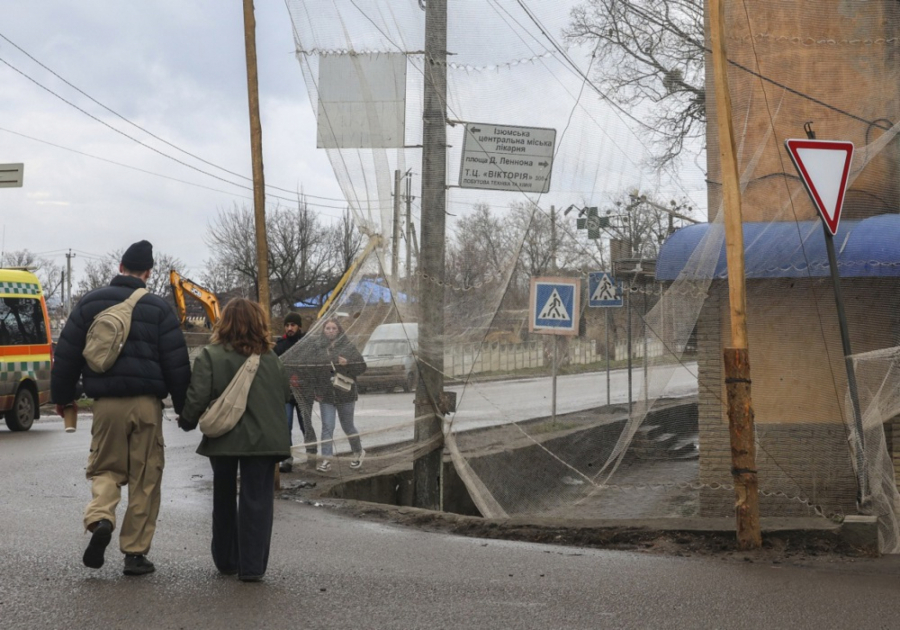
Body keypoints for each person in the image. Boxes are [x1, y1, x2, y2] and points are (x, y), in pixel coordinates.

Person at [50, 240, 191, 576]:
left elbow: (67, 354)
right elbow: (177, 364)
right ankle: (135, 554)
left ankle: (101, 517)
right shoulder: (159, 309)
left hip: (106, 405)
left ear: (120, 268)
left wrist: (63, 396)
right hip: (146, 406)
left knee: (105, 468)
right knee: (146, 477)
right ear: (148, 273)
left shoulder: (90, 303)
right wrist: (186, 410)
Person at [176, 298, 291, 582]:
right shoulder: (272, 359)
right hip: (265, 440)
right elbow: (285, 394)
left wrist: (187, 421)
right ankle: (252, 567)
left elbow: (198, 395)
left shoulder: (210, 355)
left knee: (224, 496)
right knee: (258, 500)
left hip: (224, 437)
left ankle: (227, 560)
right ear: (259, 323)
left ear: (224, 323)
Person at [310, 317, 367, 472]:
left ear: (339, 330)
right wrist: (316, 389)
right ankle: (326, 460)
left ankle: (358, 452)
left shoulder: (348, 346)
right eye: (328, 328)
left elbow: (362, 366)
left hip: (345, 393)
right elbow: (313, 370)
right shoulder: (318, 348)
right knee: (327, 427)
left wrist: (347, 364)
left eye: (334, 328)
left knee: (348, 426)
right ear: (323, 330)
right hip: (326, 394)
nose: (331, 331)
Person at [274, 312, 317, 472]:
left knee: (306, 425)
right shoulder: (279, 346)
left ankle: (312, 456)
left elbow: (315, 366)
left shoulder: (307, 344)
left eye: (293, 325)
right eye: (287, 325)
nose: (289, 328)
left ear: (299, 326)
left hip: (304, 393)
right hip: (286, 394)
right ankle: (287, 459)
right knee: (285, 425)